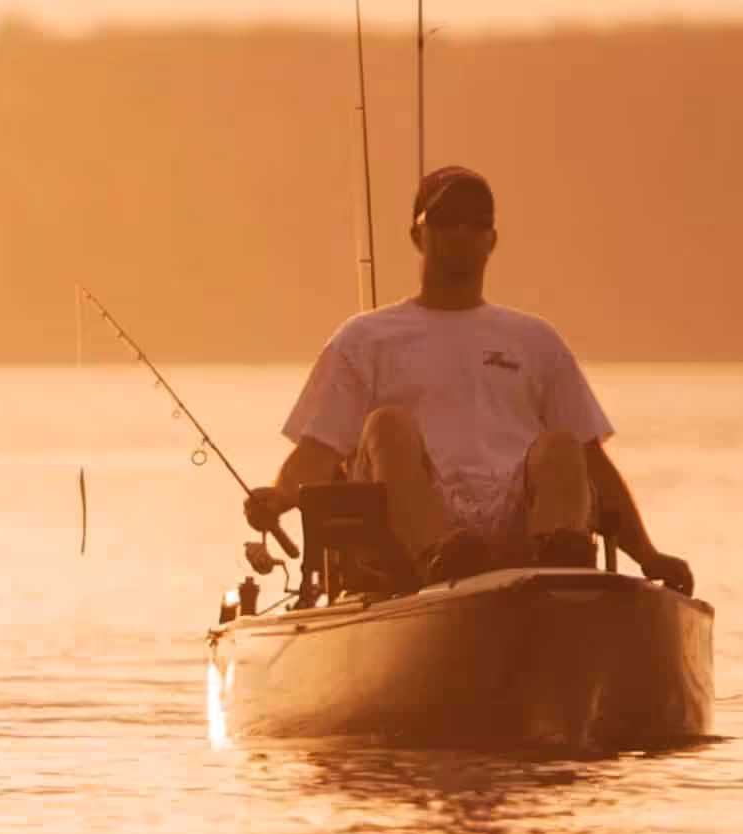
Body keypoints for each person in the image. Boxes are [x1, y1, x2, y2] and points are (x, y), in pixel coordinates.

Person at [243, 165, 694, 594]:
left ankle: (559, 571)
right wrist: (279, 498)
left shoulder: (536, 340)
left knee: (562, 444)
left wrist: (648, 555)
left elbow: (591, 462)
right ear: (417, 234)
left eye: (475, 222)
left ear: (492, 239)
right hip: (406, 532)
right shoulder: (363, 338)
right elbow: (318, 452)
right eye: (444, 220)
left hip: (513, 518)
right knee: (387, 425)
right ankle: (444, 557)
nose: (460, 232)